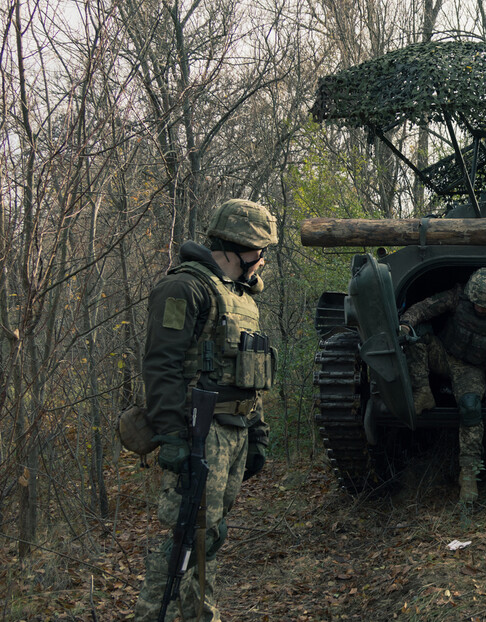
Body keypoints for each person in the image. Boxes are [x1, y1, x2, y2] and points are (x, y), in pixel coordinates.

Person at [135, 199, 278, 621]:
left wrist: (257, 429)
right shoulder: (185, 287)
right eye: (260, 250)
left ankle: (201, 614)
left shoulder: (241, 297)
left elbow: (248, 371)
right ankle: (153, 614)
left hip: (233, 432)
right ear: (238, 247)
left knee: (209, 537)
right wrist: (173, 437)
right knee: (184, 536)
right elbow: (161, 367)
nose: (262, 260)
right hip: (200, 432)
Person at [399, 268, 486, 506]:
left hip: (471, 369)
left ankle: (469, 474)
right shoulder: (458, 297)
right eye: (476, 303)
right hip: (444, 355)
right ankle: (423, 393)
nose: (480, 309)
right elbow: (423, 308)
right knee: (417, 336)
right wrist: (405, 324)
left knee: (470, 408)